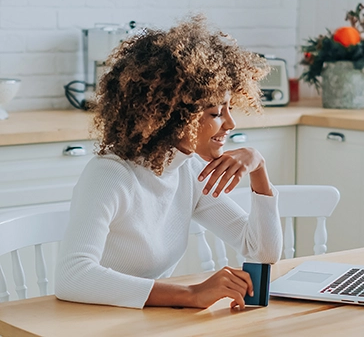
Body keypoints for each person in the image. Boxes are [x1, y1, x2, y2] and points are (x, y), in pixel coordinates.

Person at [54, 16, 283, 310]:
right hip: (94, 323)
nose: (231, 122)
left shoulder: (188, 172)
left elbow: (262, 251)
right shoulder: (110, 176)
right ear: (174, 117)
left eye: (229, 108)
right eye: (215, 113)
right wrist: (189, 295)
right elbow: (73, 277)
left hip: (150, 323)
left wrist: (259, 171)